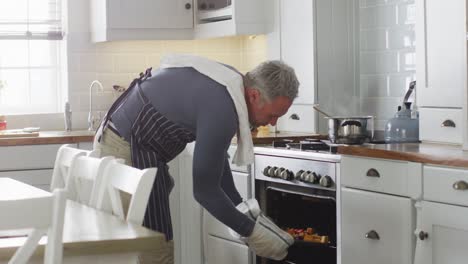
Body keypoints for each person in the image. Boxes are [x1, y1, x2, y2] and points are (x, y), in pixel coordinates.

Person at [93, 54, 299, 261]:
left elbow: (217, 165)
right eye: (273, 115)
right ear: (254, 96)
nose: (272, 123)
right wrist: (254, 234)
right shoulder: (223, 107)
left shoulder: (230, 86)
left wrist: (246, 212)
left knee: (155, 244)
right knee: (154, 249)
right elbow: (204, 191)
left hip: (130, 143)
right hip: (124, 148)